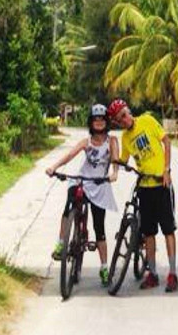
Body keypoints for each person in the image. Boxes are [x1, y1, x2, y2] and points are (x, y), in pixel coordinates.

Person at [108, 98, 178, 292]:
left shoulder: (147, 120)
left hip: (161, 183)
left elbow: (166, 141)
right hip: (144, 186)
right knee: (148, 232)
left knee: (168, 229)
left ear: (129, 111)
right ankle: (153, 273)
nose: (124, 120)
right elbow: (122, 160)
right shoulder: (125, 137)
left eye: (124, 114)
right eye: (119, 120)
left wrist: (166, 170)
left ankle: (172, 273)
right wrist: (112, 155)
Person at [45, 103, 120, 285]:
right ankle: (61, 242)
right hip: (83, 180)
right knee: (69, 205)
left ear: (106, 122)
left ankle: (104, 268)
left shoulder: (112, 141)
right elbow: (70, 155)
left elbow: (115, 160)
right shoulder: (86, 142)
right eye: (96, 119)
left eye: (102, 119)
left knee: (99, 227)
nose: (99, 122)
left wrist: (114, 173)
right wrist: (54, 167)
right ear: (91, 122)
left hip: (100, 184)